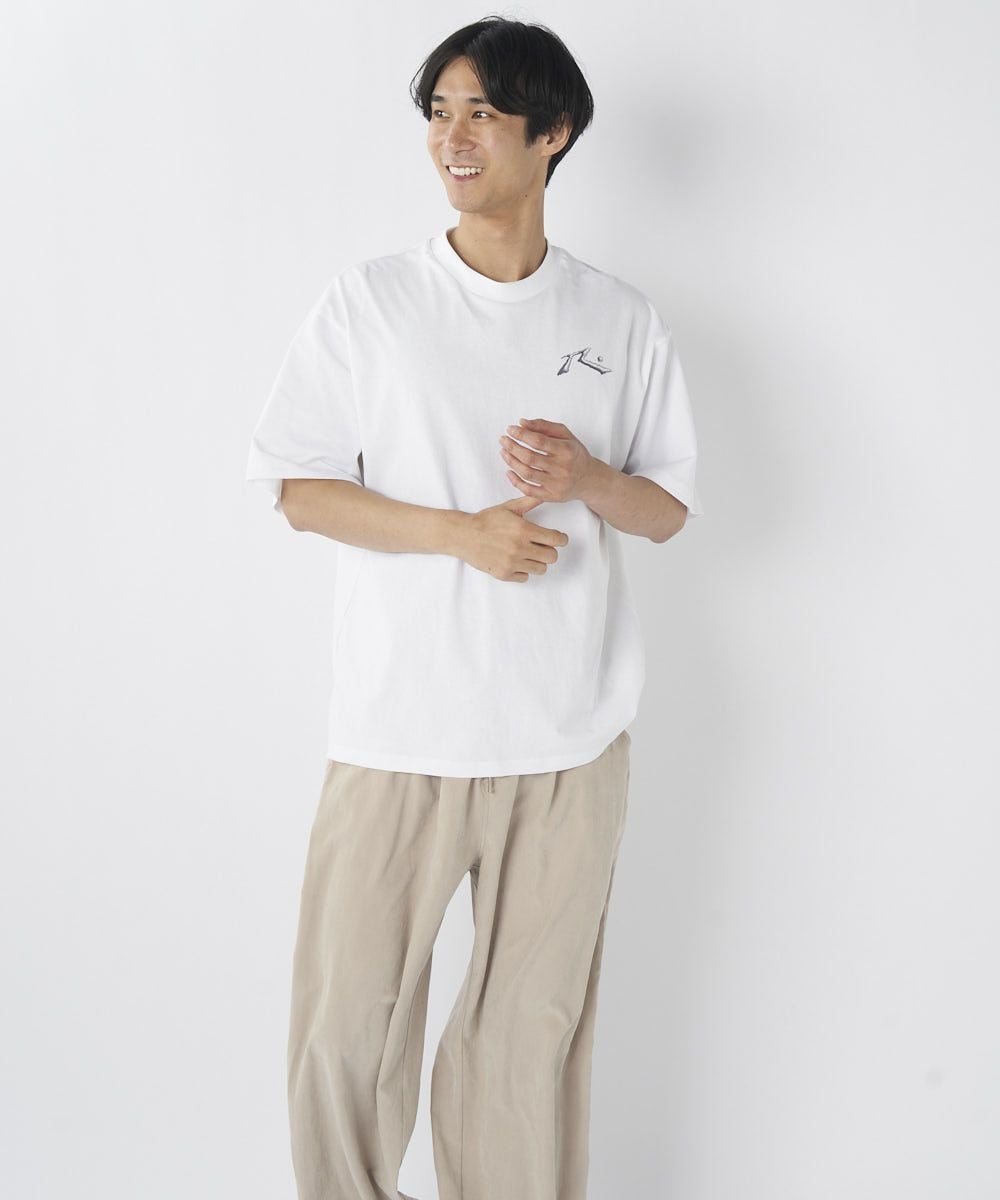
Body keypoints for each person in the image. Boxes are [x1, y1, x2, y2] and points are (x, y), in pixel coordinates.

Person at [246, 16, 703, 1200]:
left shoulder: (617, 318)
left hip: (567, 741)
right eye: (439, 112)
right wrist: (463, 534)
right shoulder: (374, 301)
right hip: (400, 731)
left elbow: (665, 511)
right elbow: (297, 490)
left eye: (483, 114)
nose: (453, 137)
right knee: (345, 1039)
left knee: (523, 1050)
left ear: (552, 135)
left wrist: (586, 477)